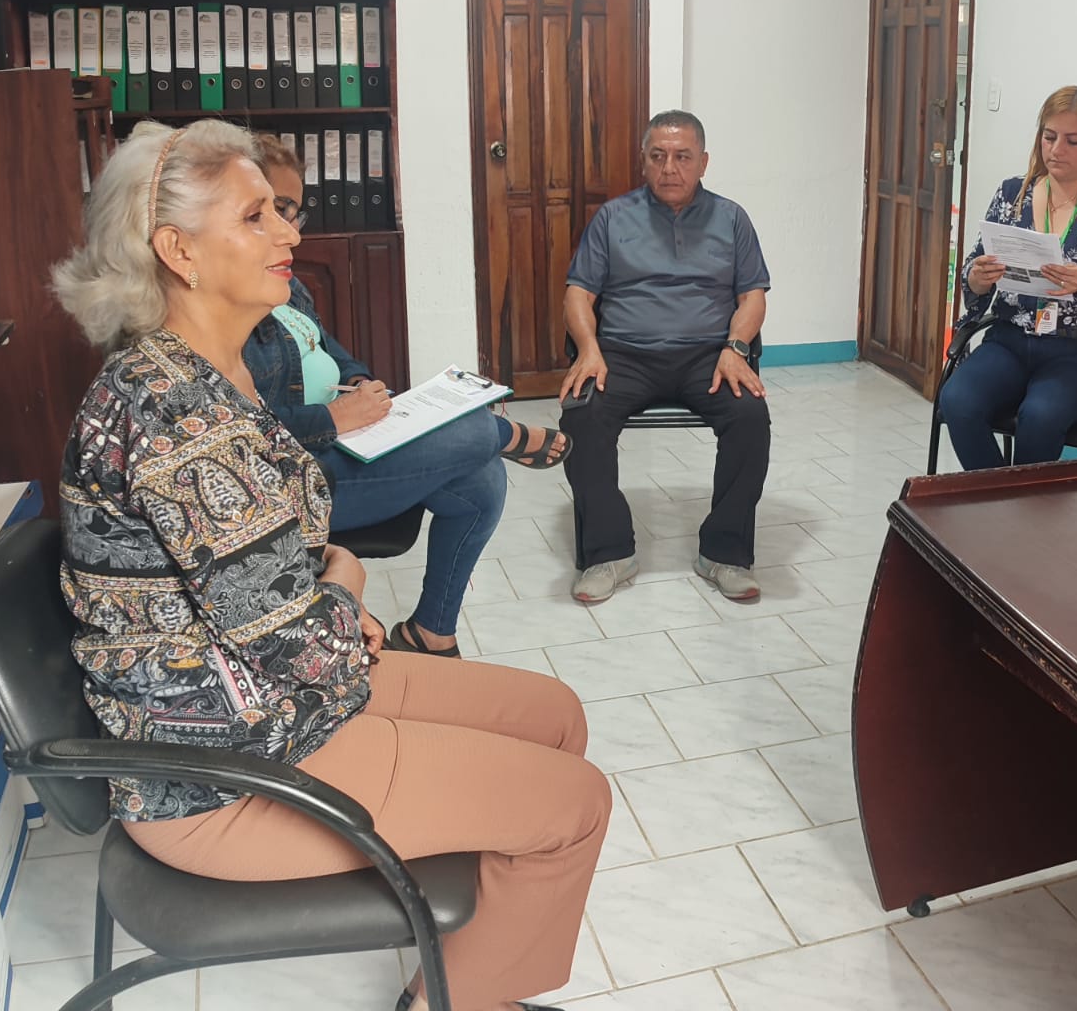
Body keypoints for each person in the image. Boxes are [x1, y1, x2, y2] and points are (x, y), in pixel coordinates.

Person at [51, 120, 608, 1011]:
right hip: (222, 773)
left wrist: (329, 589)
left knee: (555, 716)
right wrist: (344, 587)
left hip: (275, 704)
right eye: (256, 216)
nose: (289, 232)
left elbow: (272, 594)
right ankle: (462, 1001)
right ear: (178, 252)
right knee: (574, 805)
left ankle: (473, 966)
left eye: (280, 211)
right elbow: (306, 643)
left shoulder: (208, 373)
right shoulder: (176, 416)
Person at [243, 135, 569, 659]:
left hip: (351, 436)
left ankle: (430, 633)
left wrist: (360, 385)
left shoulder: (287, 284)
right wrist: (333, 416)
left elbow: (331, 350)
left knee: (482, 476)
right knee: (476, 430)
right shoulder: (228, 310)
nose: (291, 231)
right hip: (305, 476)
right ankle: (506, 432)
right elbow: (242, 435)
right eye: (274, 210)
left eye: (294, 213)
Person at [559, 110, 771, 604]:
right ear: (643, 161)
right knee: (582, 415)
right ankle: (610, 553)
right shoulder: (613, 218)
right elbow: (578, 293)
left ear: (703, 162)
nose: (669, 168)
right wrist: (589, 349)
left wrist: (736, 348)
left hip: (708, 357)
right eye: (658, 156)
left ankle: (724, 553)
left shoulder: (732, 218)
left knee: (749, 416)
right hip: (625, 354)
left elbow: (753, 296)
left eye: (682, 157)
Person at [940, 86, 1077, 469]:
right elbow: (973, 272)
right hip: (1009, 339)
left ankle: (1019, 506)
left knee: (1040, 416)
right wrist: (980, 276)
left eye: (1073, 141)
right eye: (1049, 137)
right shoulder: (1012, 194)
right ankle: (1001, 498)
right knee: (957, 400)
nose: (1056, 150)